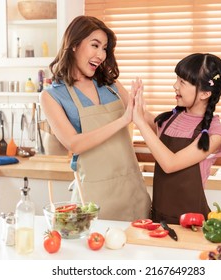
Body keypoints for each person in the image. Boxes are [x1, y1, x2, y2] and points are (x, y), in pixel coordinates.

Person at [39, 15, 151, 221]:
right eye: (95, 45)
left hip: (132, 191)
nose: (101, 55)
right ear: (73, 45)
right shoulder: (52, 95)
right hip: (92, 199)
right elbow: (74, 143)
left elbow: (146, 119)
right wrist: (123, 120)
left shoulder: (112, 86)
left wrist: (185, 117)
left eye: (104, 48)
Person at [132, 53, 221, 224]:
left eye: (182, 82)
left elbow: (170, 164)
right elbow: (140, 113)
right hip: (159, 219)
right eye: (177, 80)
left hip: (193, 224)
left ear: (205, 93)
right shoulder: (171, 119)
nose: (175, 86)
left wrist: (140, 123)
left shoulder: (214, 134)